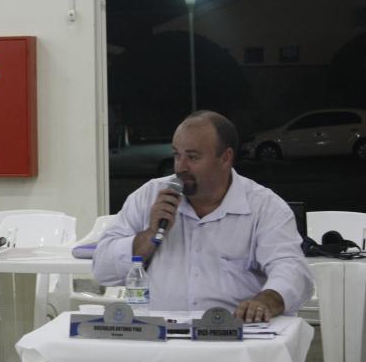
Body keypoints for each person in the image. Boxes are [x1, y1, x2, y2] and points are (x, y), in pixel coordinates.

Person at [93, 110, 313, 322]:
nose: (181, 167)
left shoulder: (264, 206)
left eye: (192, 157)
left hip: (235, 333)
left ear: (225, 158)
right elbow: (102, 269)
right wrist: (150, 235)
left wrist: (266, 300)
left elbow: (291, 269)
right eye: (177, 155)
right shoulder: (150, 196)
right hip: (159, 333)